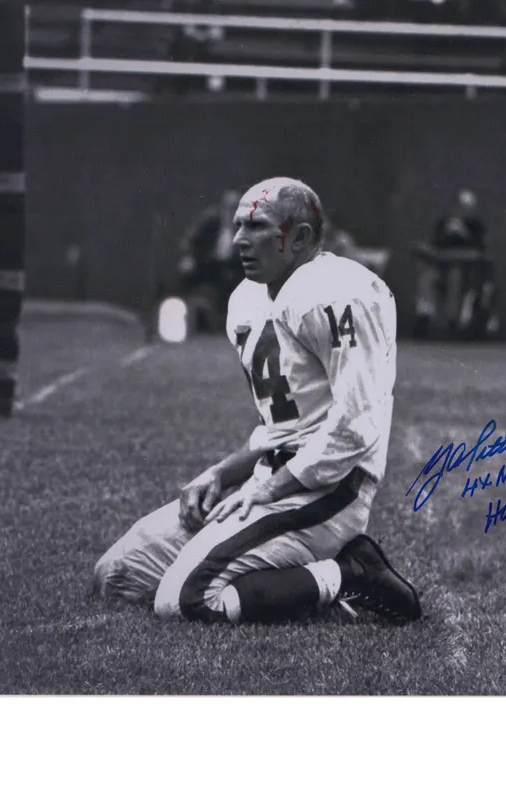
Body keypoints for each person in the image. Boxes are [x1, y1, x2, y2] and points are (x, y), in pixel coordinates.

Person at [95, 177, 421, 625]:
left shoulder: (339, 291)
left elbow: (353, 430)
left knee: (185, 599)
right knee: (118, 576)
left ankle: (348, 573)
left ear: (300, 237)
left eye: (256, 227)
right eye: (238, 226)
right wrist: (222, 474)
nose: (238, 240)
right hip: (272, 478)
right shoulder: (246, 299)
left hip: (328, 491)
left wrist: (270, 488)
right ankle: (282, 568)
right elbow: (282, 426)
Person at [414, 189, 496, 338]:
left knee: (455, 277)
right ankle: (424, 316)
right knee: (427, 277)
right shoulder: (444, 224)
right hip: (441, 266)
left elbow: (480, 251)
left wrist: (464, 234)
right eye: (460, 206)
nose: (462, 210)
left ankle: (452, 322)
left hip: (467, 271)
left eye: (467, 207)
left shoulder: (477, 227)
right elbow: (434, 246)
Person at [175, 189, 244, 332]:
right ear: (222, 207)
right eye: (228, 208)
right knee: (186, 273)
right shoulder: (209, 220)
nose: (232, 212)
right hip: (208, 263)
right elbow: (190, 240)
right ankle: (187, 319)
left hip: (234, 266)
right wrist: (188, 257)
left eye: (235, 208)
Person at [159, 0, 221, 94]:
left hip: (205, 53)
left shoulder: (209, 0)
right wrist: (195, 34)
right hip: (178, 53)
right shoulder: (173, 1)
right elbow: (177, 32)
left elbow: (217, 32)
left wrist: (199, 34)